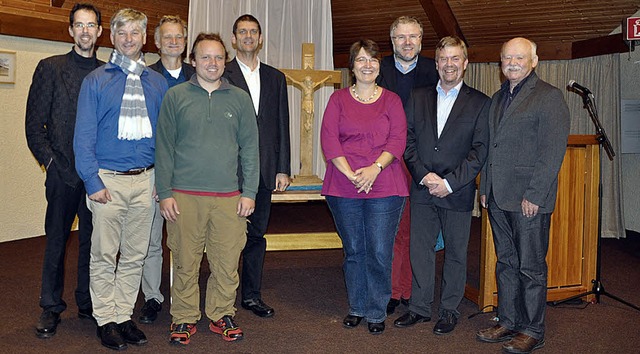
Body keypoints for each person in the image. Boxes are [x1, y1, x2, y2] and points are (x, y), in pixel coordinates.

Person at [155, 32, 259, 344]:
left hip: (229, 199)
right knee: (185, 262)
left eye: (217, 57)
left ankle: (221, 313)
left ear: (224, 61)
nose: (211, 63)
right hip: (184, 197)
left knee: (226, 263)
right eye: (204, 57)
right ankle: (184, 318)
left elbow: (250, 150)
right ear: (193, 61)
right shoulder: (176, 97)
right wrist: (165, 193)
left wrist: (250, 192)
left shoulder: (240, 99)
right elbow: (164, 148)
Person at [74, 8, 168, 350]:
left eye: (135, 33)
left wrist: (163, 178)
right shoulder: (96, 81)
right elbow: (83, 136)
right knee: (104, 254)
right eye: (122, 33)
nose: (129, 39)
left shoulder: (156, 83)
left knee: (134, 254)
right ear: (111, 37)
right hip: (107, 183)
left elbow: (163, 137)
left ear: (144, 38)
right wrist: (91, 180)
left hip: (146, 181)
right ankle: (105, 319)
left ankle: (124, 315)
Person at [476, 37, 570, 353]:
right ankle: (510, 320)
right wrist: (485, 187)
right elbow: (491, 147)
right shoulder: (497, 97)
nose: (512, 63)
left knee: (530, 267)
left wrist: (535, 194)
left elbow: (551, 151)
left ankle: (533, 329)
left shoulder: (549, 97)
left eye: (519, 57)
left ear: (534, 60)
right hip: (498, 197)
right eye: (506, 58)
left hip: (529, 199)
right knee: (506, 262)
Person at [394, 36, 489, 335]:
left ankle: (449, 310)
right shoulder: (418, 96)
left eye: (455, 58)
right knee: (419, 250)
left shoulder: (480, 102)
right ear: (436, 64)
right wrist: (423, 176)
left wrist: (449, 182)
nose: (449, 64)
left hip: (457, 192)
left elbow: (480, 151)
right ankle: (419, 308)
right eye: (444, 59)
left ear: (465, 63)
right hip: (422, 188)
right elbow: (407, 141)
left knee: (457, 254)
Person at [25, 3, 103, 339]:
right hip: (62, 172)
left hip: (98, 176)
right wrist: (52, 163)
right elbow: (33, 125)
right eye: (79, 25)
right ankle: (50, 306)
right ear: (71, 31)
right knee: (57, 239)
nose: (86, 31)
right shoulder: (50, 68)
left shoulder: (107, 74)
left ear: (100, 32)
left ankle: (87, 301)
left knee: (93, 242)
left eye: (91, 25)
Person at [321, 39, 409, 335]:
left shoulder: (392, 100)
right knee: (355, 249)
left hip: (385, 185)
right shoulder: (338, 100)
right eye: (361, 60)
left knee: (380, 251)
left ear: (379, 66)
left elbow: (398, 140)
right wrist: (350, 173)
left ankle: (376, 310)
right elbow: (329, 139)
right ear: (352, 66)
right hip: (344, 185)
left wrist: (374, 169)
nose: (367, 65)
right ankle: (357, 307)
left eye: (372, 60)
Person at [223, 14, 291, 318]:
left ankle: (251, 296)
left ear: (260, 39)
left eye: (253, 32)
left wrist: (282, 167)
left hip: (263, 172)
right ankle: (222, 298)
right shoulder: (220, 73)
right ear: (234, 39)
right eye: (242, 32)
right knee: (225, 239)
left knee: (255, 236)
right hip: (228, 172)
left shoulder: (276, 78)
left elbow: (281, 125)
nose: (248, 37)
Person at [376, 15, 439, 315]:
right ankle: (390, 289)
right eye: (401, 37)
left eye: (413, 36)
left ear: (421, 40)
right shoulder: (377, 68)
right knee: (388, 227)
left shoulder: (434, 70)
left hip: (418, 160)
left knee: (413, 228)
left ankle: (409, 289)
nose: (407, 42)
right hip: (384, 160)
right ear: (392, 41)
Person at [138, 14, 195, 325]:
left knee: (186, 239)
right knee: (149, 240)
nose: (173, 42)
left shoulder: (199, 76)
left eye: (179, 37)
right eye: (167, 37)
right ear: (156, 43)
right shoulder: (144, 78)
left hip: (190, 172)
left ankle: (184, 296)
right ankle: (152, 297)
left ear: (185, 43)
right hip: (153, 169)